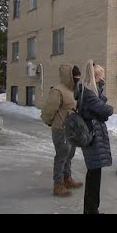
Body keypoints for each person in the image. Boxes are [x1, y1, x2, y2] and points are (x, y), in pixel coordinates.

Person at [75, 60, 113, 214]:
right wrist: (108, 107)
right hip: (93, 136)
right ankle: (91, 210)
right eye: (102, 77)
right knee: (93, 175)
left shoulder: (89, 92)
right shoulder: (89, 93)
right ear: (97, 77)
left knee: (94, 174)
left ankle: (92, 209)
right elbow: (105, 110)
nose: (103, 79)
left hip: (93, 134)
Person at [41, 64, 83, 197]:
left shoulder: (74, 90)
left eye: (78, 77)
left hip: (72, 129)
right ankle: (58, 184)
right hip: (61, 129)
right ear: (68, 76)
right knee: (61, 156)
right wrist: (49, 121)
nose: (77, 79)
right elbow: (49, 109)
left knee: (69, 155)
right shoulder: (57, 90)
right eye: (75, 76)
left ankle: (67, 179)